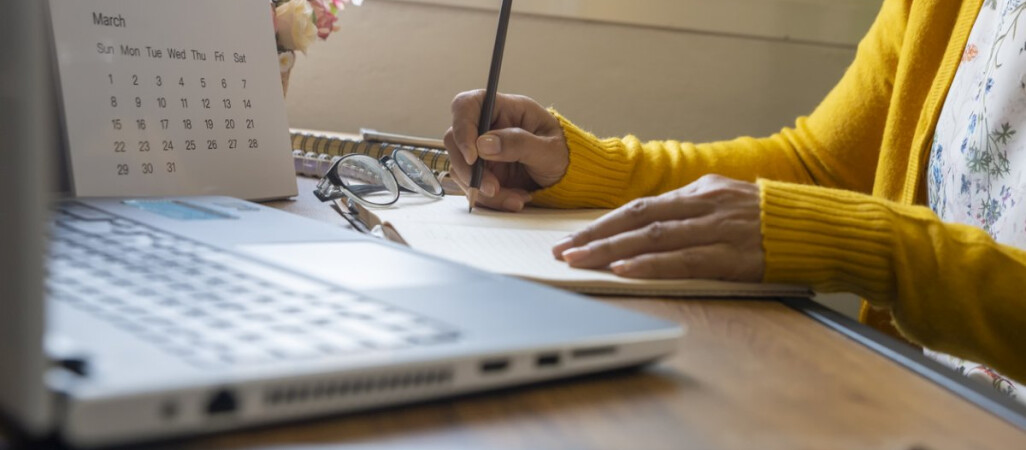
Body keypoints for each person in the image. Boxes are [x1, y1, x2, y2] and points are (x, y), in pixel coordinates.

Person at [442, 0, 1026, 400]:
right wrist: (584, 168)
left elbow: (831, 208)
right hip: (938, 406)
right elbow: (818, 167)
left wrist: (882, 249)